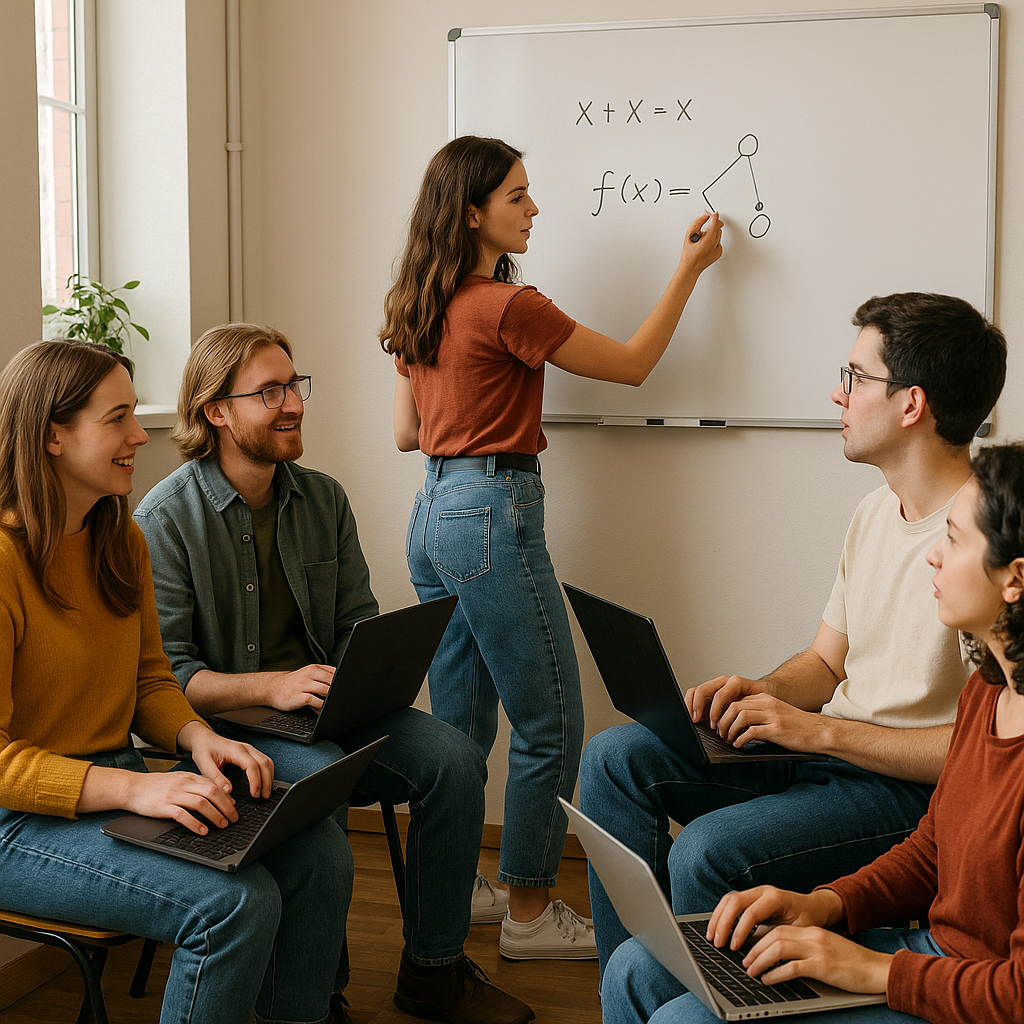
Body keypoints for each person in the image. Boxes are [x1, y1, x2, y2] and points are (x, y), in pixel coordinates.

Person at [580, 292, 1008, 975]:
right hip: (826, 754)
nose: (837, 395)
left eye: (856, 378)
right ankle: (636, 986)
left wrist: (819, 732)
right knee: (615, 759)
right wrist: (765, 692)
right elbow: (825, 662)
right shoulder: (875, 511)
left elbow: (983, 753)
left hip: (904, 791)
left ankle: (706, 1004)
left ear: (911, 405)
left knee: (706, 851)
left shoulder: (981, 543)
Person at [379, 135, 723, 961]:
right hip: (493, 509)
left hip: (432, 510)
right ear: (473, 212)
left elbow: (406, 432)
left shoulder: (417, 301)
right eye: (518, 197)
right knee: (553, 719)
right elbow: (635, 366)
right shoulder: (509, 306)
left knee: (459, 725)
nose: (535, 210)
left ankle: (460, 887)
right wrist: (692, 270)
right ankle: (530, 913)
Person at [133, 322, 533, 1024]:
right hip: (225, 727)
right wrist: (270, 687)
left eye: (294, 384)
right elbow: (168, 676)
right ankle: (315, 994)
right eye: (269, 391)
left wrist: (370, 672)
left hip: (324, 708)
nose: (293, 403)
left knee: (454, 757)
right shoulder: (163, 521)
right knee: (320, 771)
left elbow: (357, 623)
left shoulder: (323, 498)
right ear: (216, 412)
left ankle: (434, 971)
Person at [602, 440, 1024, 1023]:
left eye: (953, 539)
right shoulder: (988, 692)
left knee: (683, 1018)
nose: (933, 555)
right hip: (929, 955)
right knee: (632, 972)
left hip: (970, 988)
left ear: (1014, 581)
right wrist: (824, 905)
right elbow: (932, 851)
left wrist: (870, 969)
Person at [0, 339, 350, 1024]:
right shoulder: (5, 561)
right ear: (52, 437)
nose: (141, 434)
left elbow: (150, 682)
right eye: (119, 417)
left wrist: (197, 740)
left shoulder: (119, 538)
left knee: (319, 855)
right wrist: (139, 786)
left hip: (113, 785)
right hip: (18, 825)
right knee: (233, 907)